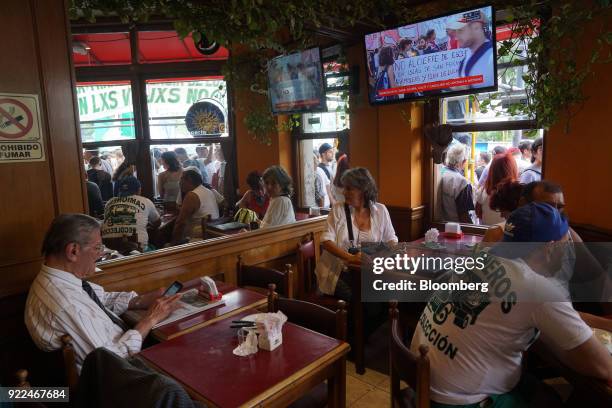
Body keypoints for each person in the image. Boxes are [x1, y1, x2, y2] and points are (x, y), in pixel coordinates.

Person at [412, 203, 612, 407]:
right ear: (551, 248)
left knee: (544, 393)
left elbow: (563, 316)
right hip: (458, 402)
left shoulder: (480, 258)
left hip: (423, 382)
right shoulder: (537, 289)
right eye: (567, 242)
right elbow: (603, 367)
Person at [25, 214, 182, 372]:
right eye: (98, 247)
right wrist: (150, 319)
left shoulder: (57, 280)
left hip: (121, 357)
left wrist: (140, 301)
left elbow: (101, 299)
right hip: (118, 379)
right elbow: (113, 363)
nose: (101, 253)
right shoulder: (67, 304)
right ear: (73, 251)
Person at [315, 167, 397, 300]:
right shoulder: (338, 210)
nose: (343, 192)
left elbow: (391, 239)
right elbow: (326, 242)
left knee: (385, 292)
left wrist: (384, 255)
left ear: (363, 190)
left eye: (349, 188)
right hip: (337, 272)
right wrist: (350, 257)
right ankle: (358, 320)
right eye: (344, 188)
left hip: (369, 271)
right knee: (362, 296)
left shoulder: (380, 211)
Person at [101, 176, 161, 252]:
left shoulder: (109, 202)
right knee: (154, 246)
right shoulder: (146, 201)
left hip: (110, 251)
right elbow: (157, 223)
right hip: (137, 250)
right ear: (139, 190)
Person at [171, 168, 220, 244]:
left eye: (181, 179)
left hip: (199, 238)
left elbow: (180, 223)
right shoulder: (208, 191)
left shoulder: (192, 195)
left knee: (165, 246)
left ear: (189, 181)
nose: (179, 182)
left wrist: (173, 243)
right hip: (213, 234)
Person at [455, 10, 494, 89]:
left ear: (476, 27)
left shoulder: (490, 56)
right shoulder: (468, 55)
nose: (456, 37)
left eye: (460, 30)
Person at [475, 153, 518, 225]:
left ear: (492, 170)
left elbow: (478, 214)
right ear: (513, 169)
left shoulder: (483, 191)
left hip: (488, 232)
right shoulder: (518, 193)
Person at [436, 144, 474, 223]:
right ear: (464, 161)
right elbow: (464, 216)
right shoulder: (462, 182)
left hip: (439, 224)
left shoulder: (439, 172)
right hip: (455, 228)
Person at [316, 143, 335, 208]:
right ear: (323, 154)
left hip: (329, 202)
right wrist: (333, 204)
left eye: (332, 152)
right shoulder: (320, 169)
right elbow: (328, 189)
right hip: (326, 204)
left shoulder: (329, 167)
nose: (332, 154)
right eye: (330, 152)